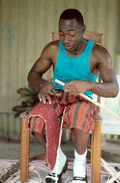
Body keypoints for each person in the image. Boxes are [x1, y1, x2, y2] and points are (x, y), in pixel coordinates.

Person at [27, 9, 119, 183]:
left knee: (78, 115)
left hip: (84, 100)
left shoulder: (99, 53)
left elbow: (114, 89)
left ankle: (79, 166)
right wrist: (42, 84)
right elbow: (33, 73)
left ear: (83, 29)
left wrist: (88, 84)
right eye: (61, 34)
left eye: (71, 34)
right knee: (36, 120)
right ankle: (58, 158)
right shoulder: (53, 49)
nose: (66, 40)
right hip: (57, 96)